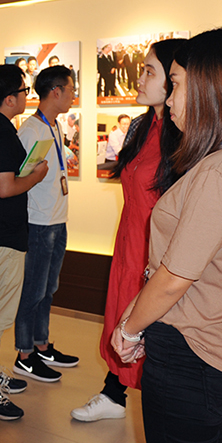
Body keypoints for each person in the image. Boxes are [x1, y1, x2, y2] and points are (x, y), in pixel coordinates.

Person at [111, 29, 222, 443]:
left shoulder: (214, 172)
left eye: (175, 85)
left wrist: (129, 329)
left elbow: (175, 276)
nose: (170, 100)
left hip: (191, 352)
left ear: (208, 87)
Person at [71, 39, 185, 422]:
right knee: (122, 314)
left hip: (159, 248)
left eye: (150, 72)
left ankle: (131, 394)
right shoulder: (141, 125)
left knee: (150, 320)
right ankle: (114, 391)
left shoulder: (185, 135)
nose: (140, 79)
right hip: (129, 240)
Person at [0, 64, 49, 421]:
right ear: (9, 98)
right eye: (23, 90)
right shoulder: (1, 134)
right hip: (2, 237)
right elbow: (4, 187)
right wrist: (36, 175)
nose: (26, 96)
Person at [12, 66, 80, 383]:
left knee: (49, 289)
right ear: (56, 91)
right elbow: (20, 178)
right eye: (70, 89)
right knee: (33, 291)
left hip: (57, 219)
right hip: (38, 222)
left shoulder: (55, 126)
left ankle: (42, 345)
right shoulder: (30, 131)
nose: (73, 95)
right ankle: (24, 355)